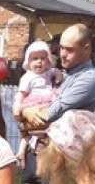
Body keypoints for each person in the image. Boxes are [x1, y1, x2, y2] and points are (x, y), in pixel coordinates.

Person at [20, 24, 95, 184]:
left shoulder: (87, 80)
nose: (62, 54)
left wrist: (26, 112)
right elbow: (25, 116)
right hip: (40, 150)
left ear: (87, 49)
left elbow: (48, 115)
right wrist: (25, 113)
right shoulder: (61, 76)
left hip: (63, 160)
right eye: (61, 48)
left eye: (69, 49)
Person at [12, 40, 61, 170]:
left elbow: (58, 73)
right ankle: (21, 150)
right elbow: (21, 94)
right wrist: (17, 106)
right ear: (29, 61)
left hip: (48, 102)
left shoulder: (49, 72)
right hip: (32, 103)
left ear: (48, 60)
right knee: (27, 130)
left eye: (43, 58)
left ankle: (43, 156)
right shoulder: (27, 77)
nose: (39, 62)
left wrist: (58, 77)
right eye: (35, 59)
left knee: (48, 129)